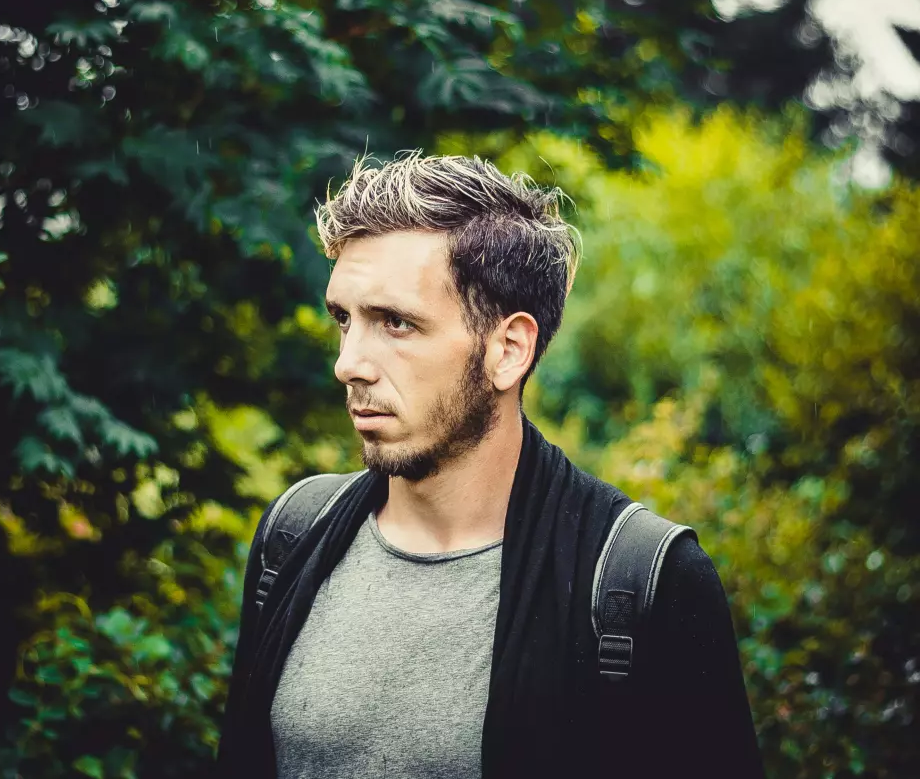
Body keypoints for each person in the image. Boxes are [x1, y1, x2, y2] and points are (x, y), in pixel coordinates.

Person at [216, 152, 764, 778]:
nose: (349, 364)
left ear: (508, 350)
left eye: (396, 323)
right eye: (345, 320)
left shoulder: (644, 582)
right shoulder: (294, 535)